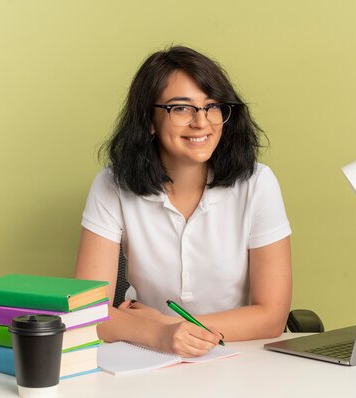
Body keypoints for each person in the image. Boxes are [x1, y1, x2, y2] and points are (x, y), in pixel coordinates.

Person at [75, 46, 291, 357]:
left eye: (212, 106)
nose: (202, 122)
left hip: (241, 357)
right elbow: (87, 312)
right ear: (149, 120)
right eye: (181, 108)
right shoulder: (112, 185)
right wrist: (159, 335)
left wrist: (166, 326)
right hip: (149, 357)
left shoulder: (257, 183)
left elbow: (271, 317)